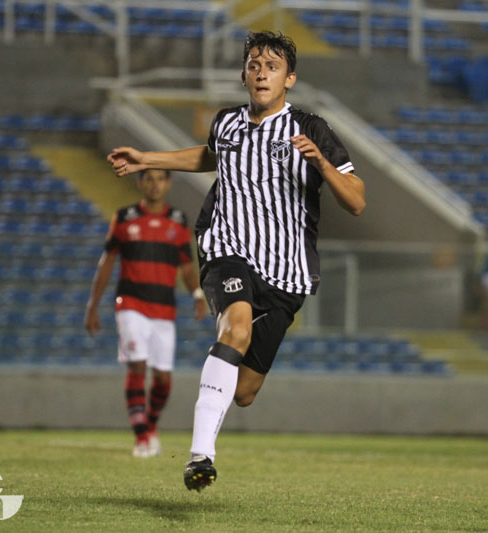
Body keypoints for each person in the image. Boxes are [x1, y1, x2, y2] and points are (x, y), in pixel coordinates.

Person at [107, 31, 365, 490]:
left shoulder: (312, 128)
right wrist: (148, 157)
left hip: (287, 271)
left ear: (290, 79)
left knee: (244, 393)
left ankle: (212, 412)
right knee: (237, 327)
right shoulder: (227, 122)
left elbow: (357, 201)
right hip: (227, 248)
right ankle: (200, 456)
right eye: (254, 64)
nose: (262, 72)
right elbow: (211, 156)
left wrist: (321, 163)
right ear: (244, 75)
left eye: (272, 66)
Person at [84, 168, 207, 458]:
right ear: (140, 183)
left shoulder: (177, 222)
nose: (154, 184)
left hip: (164, 309)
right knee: (137, 364)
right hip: (131, 304)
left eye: (159, 179)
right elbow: (107, 262)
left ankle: (150, 425)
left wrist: (197, 294)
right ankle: (141, 437)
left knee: (163, 377)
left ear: (168, 183)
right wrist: (93, 305)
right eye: (148, 179)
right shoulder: (124, 218)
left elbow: (186, 266)